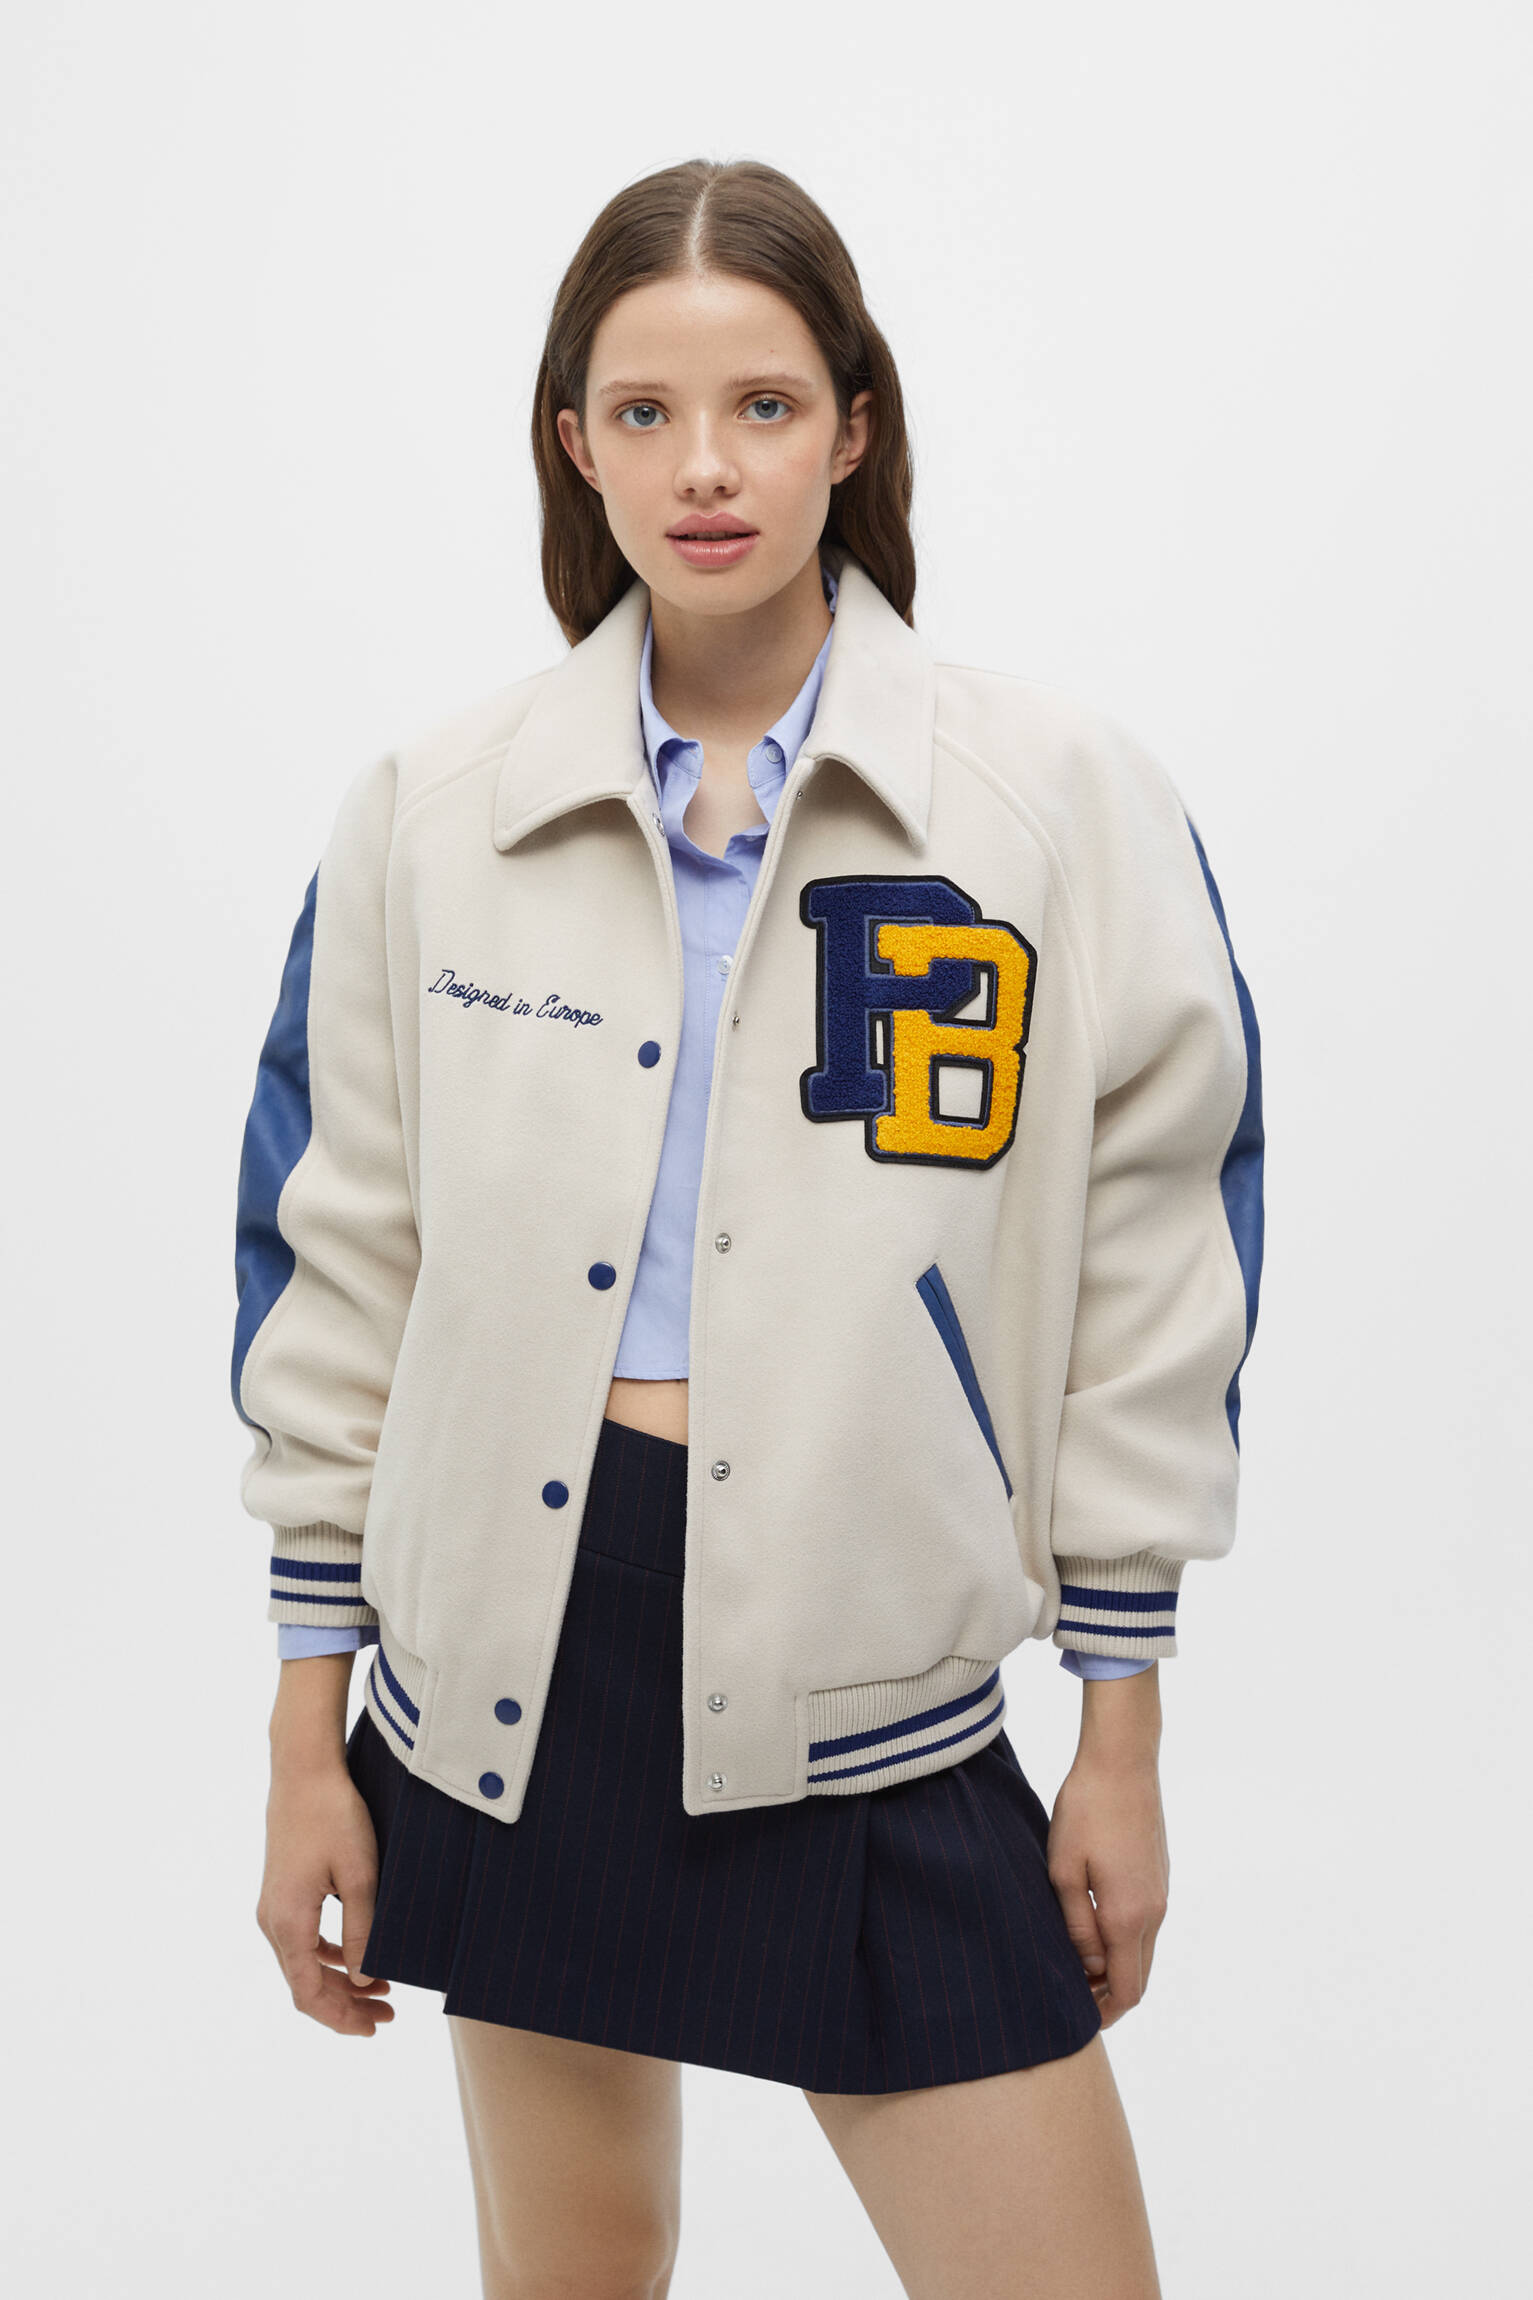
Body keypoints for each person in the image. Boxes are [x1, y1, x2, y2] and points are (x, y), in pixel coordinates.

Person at [236, 156, 1263, 2300]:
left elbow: (1154, 1279)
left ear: (852, 428)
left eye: (764, 406)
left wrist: (1121, 1726)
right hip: (513, 1673)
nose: (704, 466)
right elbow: (343, 1277)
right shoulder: (434, 813)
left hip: (870, 1672)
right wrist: (303, 1741)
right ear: (573, 442)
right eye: (644, 411)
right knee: (574, 2276)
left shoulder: (1047, 805)